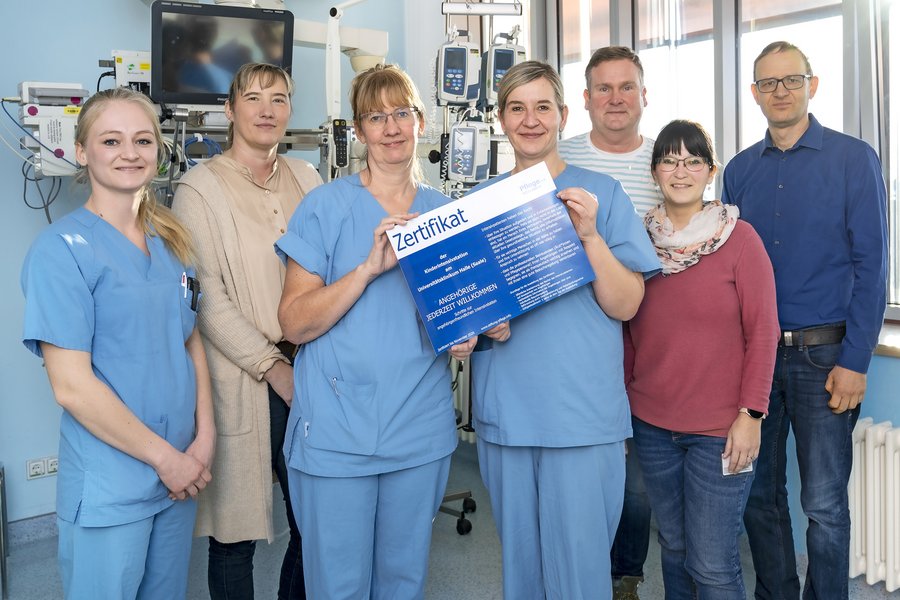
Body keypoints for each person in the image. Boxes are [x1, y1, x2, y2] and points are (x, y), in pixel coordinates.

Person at [275, 64, 477, 599]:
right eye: (376, 117)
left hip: (419, 426)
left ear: (421, 120)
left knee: (403, 581)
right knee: (337, 585)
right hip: (338, 431)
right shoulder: (325, 207)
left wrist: (465, 336)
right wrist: (366, 269)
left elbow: (453, 318)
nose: (391, 128)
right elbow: (294, 322)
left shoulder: (446, 214)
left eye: (401, 114)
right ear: (359, 131)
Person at [469, 61, 660, 600]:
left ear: (563, 114)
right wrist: (483, 325)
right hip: (507, 409)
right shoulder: (478, 205)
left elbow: (626, 304)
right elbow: (462, 310)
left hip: (581, 414)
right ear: (502, 120)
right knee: (522, 573)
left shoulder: (599, 195)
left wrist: (591, 238)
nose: (530, 120)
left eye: (542, 107)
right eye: (516, 108)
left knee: (579, 575)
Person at [20, 87, 215, 599]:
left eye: (142, 140)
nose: (129, 153)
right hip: (114, 484)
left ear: (158, 151)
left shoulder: (171, 240)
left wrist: (205, 437)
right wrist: (167, 460)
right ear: (82, 152)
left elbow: (189, 339)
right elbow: (72, 388)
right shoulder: (61, 251)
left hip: (180, 474)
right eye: (111, 140)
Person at [722, 41, 888, 600]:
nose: (780, 92)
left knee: (823, 503)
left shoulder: (852, 157)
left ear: (812, 85)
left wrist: (856, 360)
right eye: (768, 83)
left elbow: (872, 267)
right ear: (754, 94)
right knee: (758, 496)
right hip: (757, 360)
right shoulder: (740, 172)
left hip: (826, 358)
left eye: (791, 80)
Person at [172, 63, 322, 600]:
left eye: (278, 99)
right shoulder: (199, 189)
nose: (266, 109)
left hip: (315, 366)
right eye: (253, 98)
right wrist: (273, 366)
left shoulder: (309, 178)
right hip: (244, 376)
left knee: (317, 524)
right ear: (230, 110)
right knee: (234, 536)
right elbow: (205, 300)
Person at [624, 119, 779, 599]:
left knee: (712, 564)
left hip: (721, 430)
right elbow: (628, 329)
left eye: (693, 160)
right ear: (655, 171)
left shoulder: (740, 240)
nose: (681, 170)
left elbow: (764, 332)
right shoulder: (638, 241)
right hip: (651, 424)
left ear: (710, 172)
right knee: (672, 546)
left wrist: (752, 414)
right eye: (670, 159)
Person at [558, 45, 662, 599]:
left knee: (637, 475)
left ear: (644, 96)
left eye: (627, 88)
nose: (616, 98)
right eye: (604, 88)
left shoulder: (665, 159)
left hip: (647, 325)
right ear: (586, 100)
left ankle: (626, 575)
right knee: (590, 465)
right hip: (582, 333)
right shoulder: (561, 159)